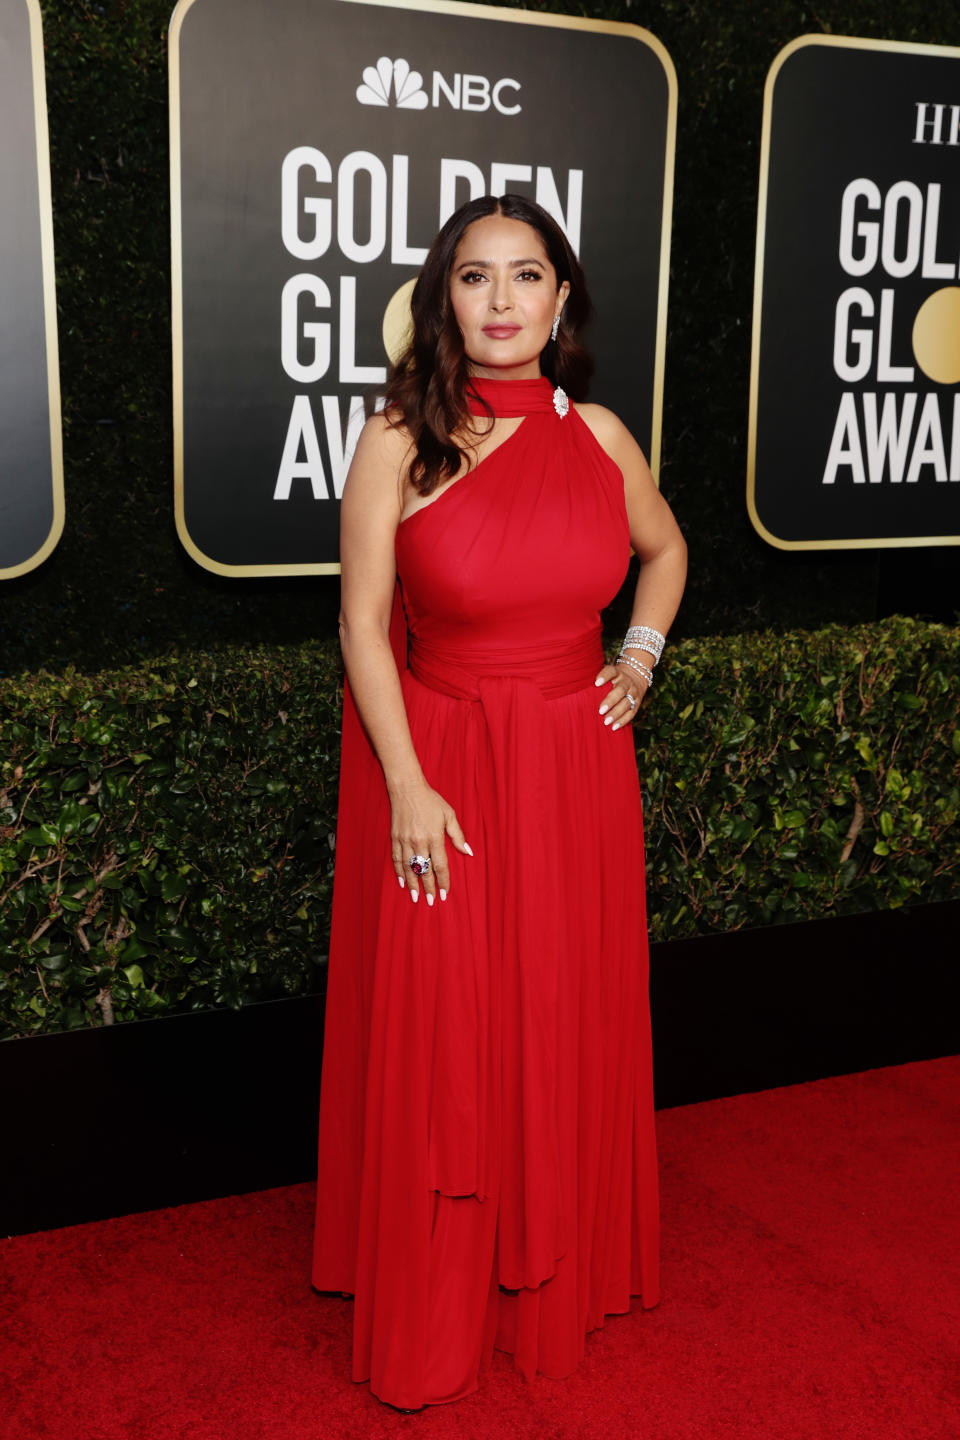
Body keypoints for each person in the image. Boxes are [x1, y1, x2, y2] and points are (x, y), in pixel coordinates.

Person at [311, 193, 687, 1411]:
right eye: (477, 277)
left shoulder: (606, 437)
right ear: (444, 298)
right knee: (449, 1035)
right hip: (445, 773)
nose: (505, 300)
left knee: (556, 1007)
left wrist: (638, 656)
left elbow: (666, 551)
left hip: (576, 772)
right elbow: (362, 628)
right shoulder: (395, 440)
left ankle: (550, 1268)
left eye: (529, 276)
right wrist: (409, 783)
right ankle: (438, 1298)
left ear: (563, 299)